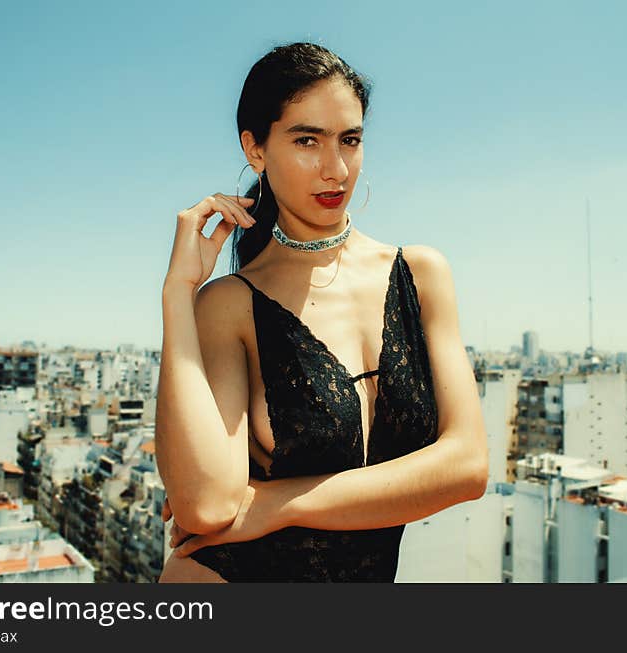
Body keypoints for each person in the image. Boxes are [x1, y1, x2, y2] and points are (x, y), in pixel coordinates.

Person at [156, 42, 488, 582]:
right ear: (255, 149)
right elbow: (208, 508)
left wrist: (274, 503)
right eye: (307, 139)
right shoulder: (228, 304)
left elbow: (468, 467)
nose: (335, 168)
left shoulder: (421, 275)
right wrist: (178, 290)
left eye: (350, 140)